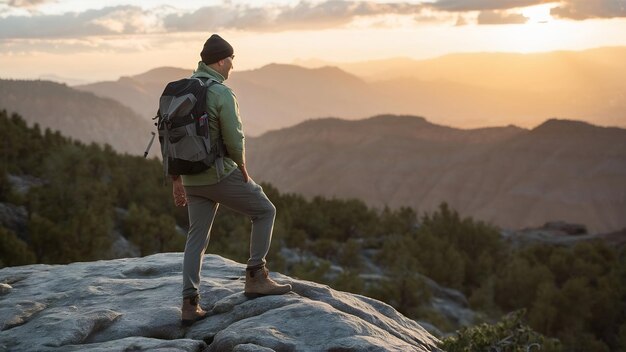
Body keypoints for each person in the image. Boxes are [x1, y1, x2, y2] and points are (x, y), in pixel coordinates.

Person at [174, 34, 292, 326]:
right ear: (221, 60)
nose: (232, 67)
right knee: (265, 211)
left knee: (196, 238)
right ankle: (256, 276)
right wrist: (242, 168)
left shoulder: (181, 90)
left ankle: (189, 304)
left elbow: (169, 140)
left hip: (190, 177)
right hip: (218, 173)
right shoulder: (220, 92)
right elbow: (234, 136)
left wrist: (176, 179)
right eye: (231, 61)